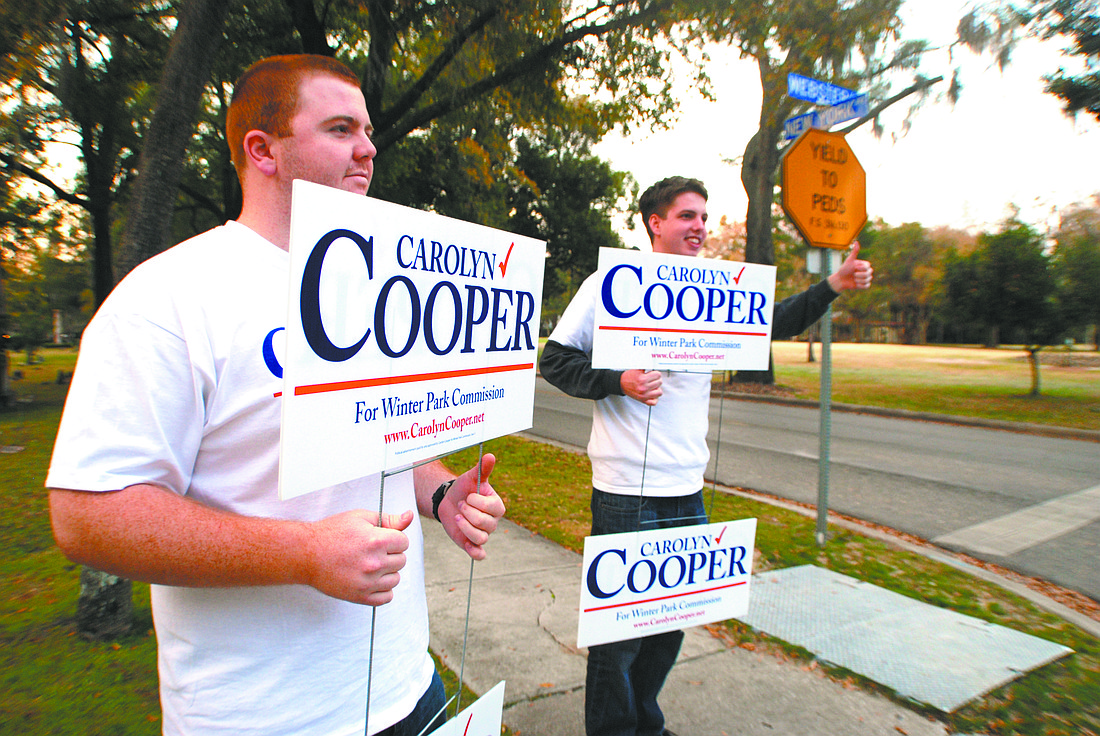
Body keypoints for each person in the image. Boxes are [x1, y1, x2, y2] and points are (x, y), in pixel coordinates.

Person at [47, 55, 506, 736]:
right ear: (262, 150)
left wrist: (440, 492)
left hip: (410, 686)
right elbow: (89, 514)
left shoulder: (380, 289)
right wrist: (305, 553)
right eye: (341, 128)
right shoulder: (168, 297)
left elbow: (381, 440)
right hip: (264, 715)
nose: (368, 148)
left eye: (368, 131)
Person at [539, 176, 873, 736]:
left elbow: (774, 321)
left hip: (687, 487)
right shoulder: (610, 284)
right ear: (656, 223)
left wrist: (832, 285)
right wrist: (617, 379)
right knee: (618, 632)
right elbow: (556, 360)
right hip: (626, 490)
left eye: (703, 217)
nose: (699, 227)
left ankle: (644, 722)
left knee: (671, 623)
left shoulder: (716, 294)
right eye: (688, 216)